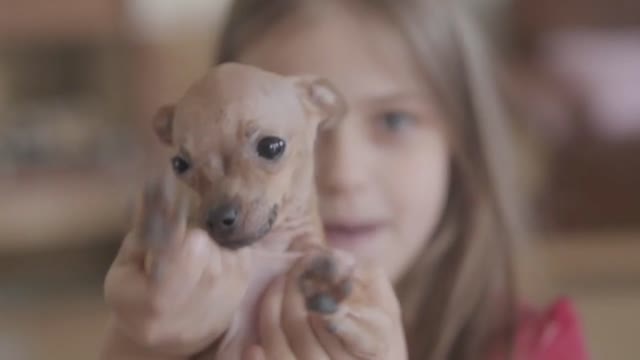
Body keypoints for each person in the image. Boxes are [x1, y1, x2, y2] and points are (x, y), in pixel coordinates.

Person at [100, 0, 589, 359]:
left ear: (463, 143)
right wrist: (139, 346)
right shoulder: (198, 310)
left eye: (395, 121)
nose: (342, 175)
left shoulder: (535, 347)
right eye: (276, 145)